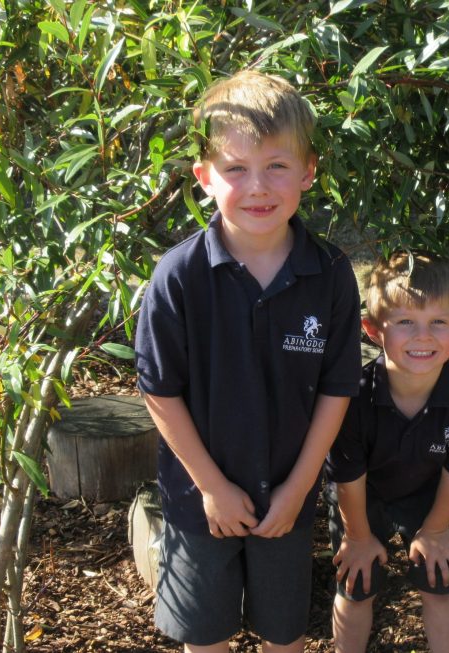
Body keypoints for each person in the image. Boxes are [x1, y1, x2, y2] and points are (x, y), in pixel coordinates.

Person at [134, 69, 362, 653]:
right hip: (199, 501)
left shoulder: (331, 274)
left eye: (277, 166)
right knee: (204, 637)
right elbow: (160, 391)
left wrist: (299, 486)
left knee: (282, 634)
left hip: (289, 494)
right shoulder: (178, 277)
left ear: (308, 170)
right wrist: (211, 486)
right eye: (236, 169)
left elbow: (337, 388)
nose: (258, 186)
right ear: (204, 177)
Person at [325, 252, 449, 653]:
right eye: (405, 322)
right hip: (361, 498)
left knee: (440, 582)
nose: (423, 337)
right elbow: (347, 477)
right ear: (372, 330)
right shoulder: (353, 398)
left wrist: (435, 530)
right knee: (357, 584)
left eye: (438, 322)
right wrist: (358, 536)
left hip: (429, 496)